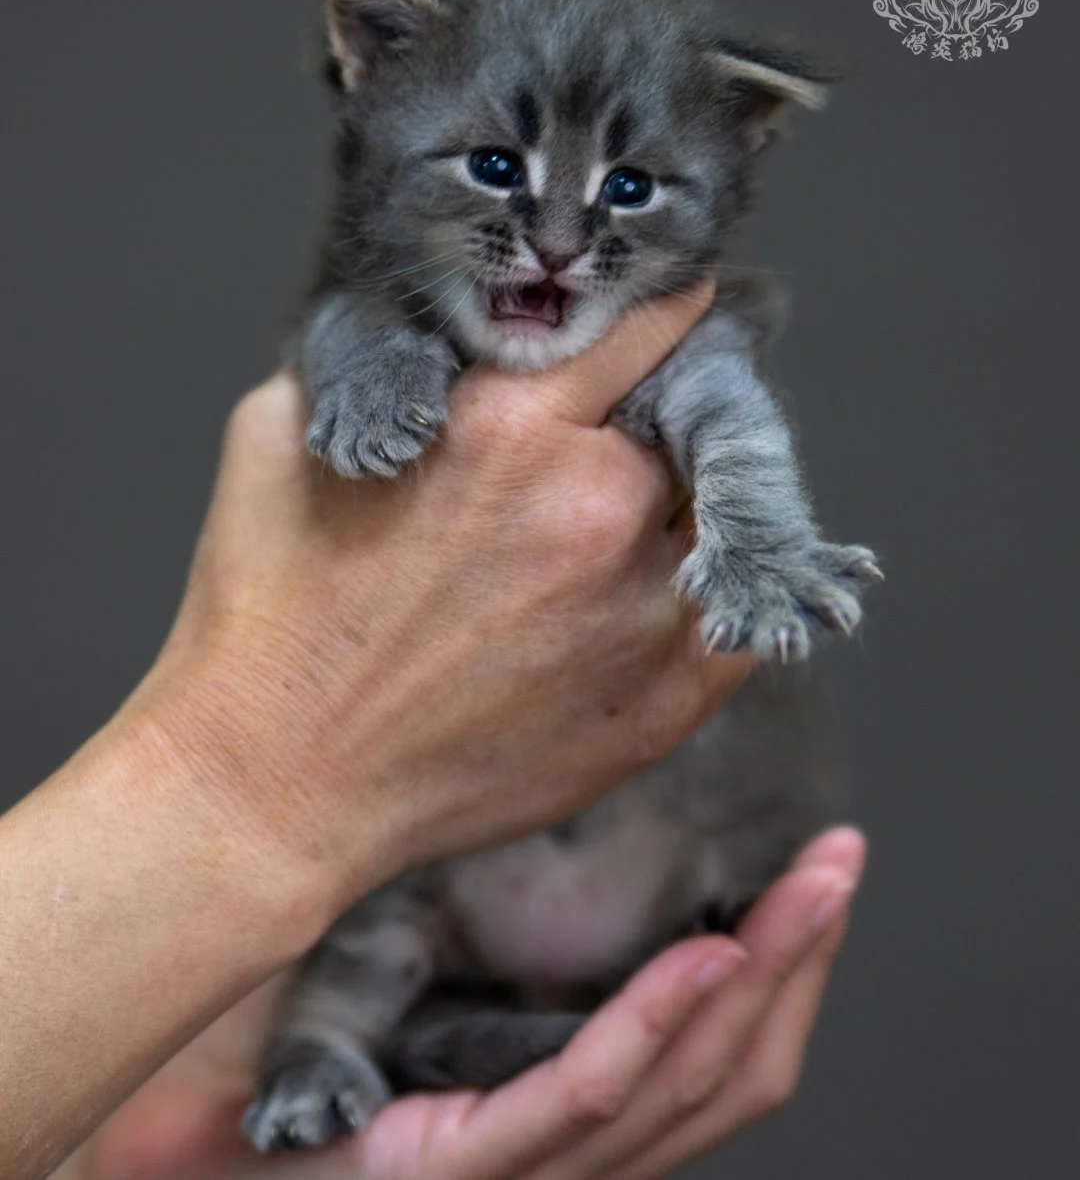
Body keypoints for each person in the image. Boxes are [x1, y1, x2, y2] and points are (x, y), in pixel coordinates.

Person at [0, 284, 865, 1180]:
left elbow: (719, 402)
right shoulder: (400, 298)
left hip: (667, 876)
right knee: (395, 924)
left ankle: (394, 1039)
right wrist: (254, 780)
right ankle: (333, 1037)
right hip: (450, 914)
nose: (556, 241)